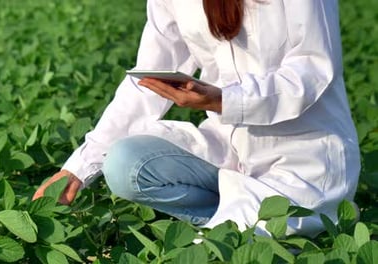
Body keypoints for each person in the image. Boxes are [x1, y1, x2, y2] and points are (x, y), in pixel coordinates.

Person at [33, 0, 360, 236]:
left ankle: (255, 226)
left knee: (215, 251)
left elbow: (312, 69)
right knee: (124, 162)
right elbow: (145, 84)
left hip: (303, 164)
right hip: (228, 154)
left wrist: (224, 100)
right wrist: (77, 168)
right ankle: (237, 219)